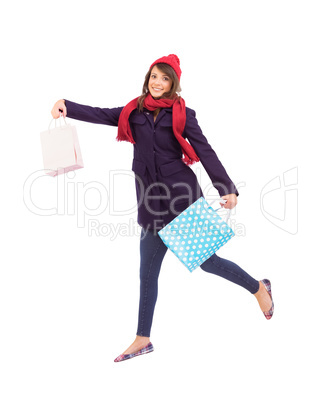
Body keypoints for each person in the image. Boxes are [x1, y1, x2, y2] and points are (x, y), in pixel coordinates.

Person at [51, 54, 274, 363]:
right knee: (147, 273)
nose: (157, 82)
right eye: (154, 76)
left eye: (164, 78)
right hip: (149, 202)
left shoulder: (183, 114)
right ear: (148, 78)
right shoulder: (133, 111)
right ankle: (143, 338)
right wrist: (67, 105)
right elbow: (101, 114)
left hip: (181, 197)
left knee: (208, 263)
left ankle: (258, 288)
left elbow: (204, 150)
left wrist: (227, 188)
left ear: (173, 84)